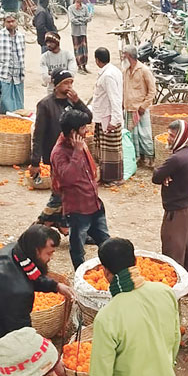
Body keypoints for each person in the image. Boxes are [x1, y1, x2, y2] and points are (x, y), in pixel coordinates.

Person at [87, 237, 180, 376]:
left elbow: (102, 373)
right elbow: (175, 340)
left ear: (106, 272)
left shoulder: (108, 316)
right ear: (135, 262)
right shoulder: (164, 293)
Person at [0, 225, 73, 376]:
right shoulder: (17, 290)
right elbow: (22, 335)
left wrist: (56, 286)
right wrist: (51, 358)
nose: (51, 258)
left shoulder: (14, 253)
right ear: (35, 251)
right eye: (49, 253)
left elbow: (32, 275)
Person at [30, 70, 91, 231]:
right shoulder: (45, 105)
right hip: (56, 154)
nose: (69, 86)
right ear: (56, 85)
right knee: (60, 190)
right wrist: (35, 162)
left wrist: (78, 102)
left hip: (75, 152)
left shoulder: (73, 102)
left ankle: (62, 223)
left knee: (69, 191)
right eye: (65, 83)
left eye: (71, 82)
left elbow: (88, 117)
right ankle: (41, 224)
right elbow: (38, 134)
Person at [51, 107, 110, 268]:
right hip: (77, 210)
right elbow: (68, 178)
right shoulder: (59, 153)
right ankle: (79, 275)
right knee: (77, 248)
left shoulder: (80, 144)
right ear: (72, 132)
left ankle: (110, 270)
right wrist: (77, 152)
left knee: (106, 243)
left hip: (94, 204)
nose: (86, 131)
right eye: (83, 128)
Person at [152, 120, 188, 285]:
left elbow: (156, 176)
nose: (168, 139)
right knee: (187, 248)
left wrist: (162, 172)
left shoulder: (177, 159)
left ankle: (174, 287)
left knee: (173, 250)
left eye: (172, 136)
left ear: (181, 137)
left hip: (177, 211)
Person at [91, 47, 125, 185]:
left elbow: (115, 98)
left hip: (108, 116)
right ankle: (106, 176)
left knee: (111, 150)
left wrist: (115, 119)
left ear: (97, 60)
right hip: (104, 115)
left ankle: (113, 178)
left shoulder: (108, 76)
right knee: (104, 149)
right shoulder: (113, 71)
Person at [121, 45, 156, 167]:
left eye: (124, 54)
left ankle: (150, 158)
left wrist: (143, 106)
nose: (122, 57)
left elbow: (152, 91)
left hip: (140, 109)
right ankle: (138, 158)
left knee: (145, 135)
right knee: (132, 136)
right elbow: (124, 88)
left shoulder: (144, 70)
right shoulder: (125, 71)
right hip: (129, 109)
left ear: (129, 56)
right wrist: (122, 104)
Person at [0, 14, 26, 113]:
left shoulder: (21, 36)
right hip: (4, 74)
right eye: (8, 22)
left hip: (18, 74)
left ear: (16, 22)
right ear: (4, 23)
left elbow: (22, 56)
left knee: (19, 102)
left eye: (13, 21)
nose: (11, 24)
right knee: (5, 102)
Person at [67, 0, 91, 73]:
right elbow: (72, 20)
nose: (77, 0)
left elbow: (89, 18)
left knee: (84, 49)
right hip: (75, 32)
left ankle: (84, 66)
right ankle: (79, 67)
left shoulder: (85, 8)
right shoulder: (71, 8)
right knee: (77, 49)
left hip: (83, 31)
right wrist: (83, 20)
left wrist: (80, 19)